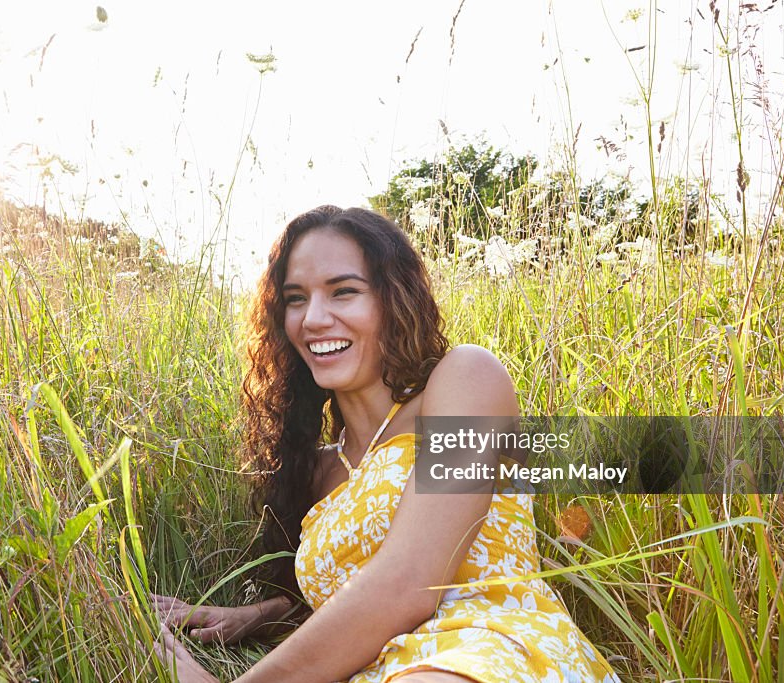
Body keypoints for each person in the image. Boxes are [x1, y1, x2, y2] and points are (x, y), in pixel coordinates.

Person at [152, 206, 621, 682]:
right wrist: (254, 616)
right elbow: (346, 599)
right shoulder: (313, 471)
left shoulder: (465, 381)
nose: (313, 319)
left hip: (489, 648)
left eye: (344, 291)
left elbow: (411, 581)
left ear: (394, 299)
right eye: (296, 299)